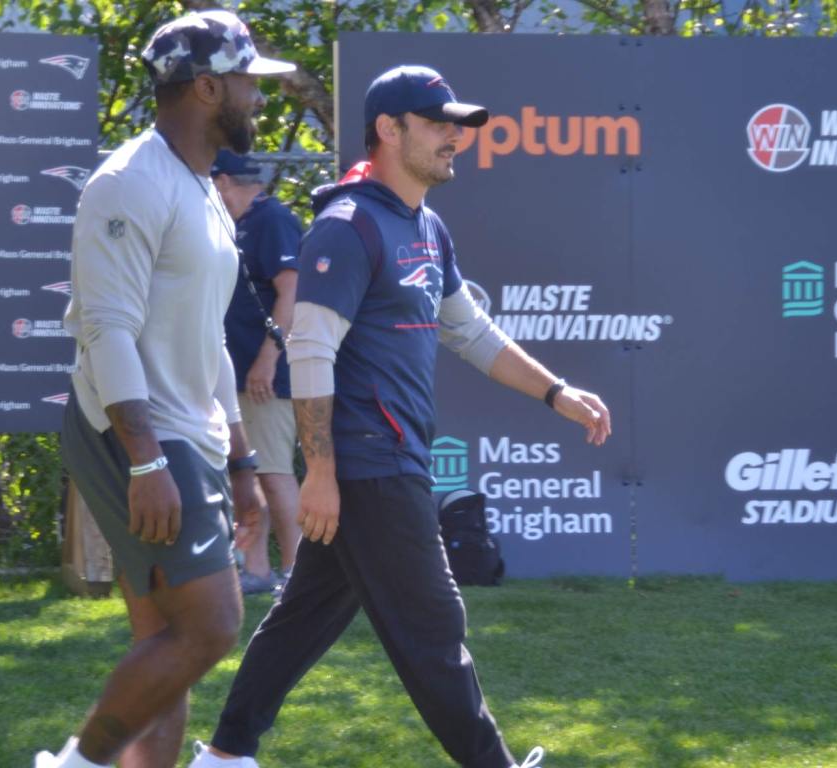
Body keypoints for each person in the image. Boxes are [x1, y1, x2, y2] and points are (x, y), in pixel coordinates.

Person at [189, 65, 611, 768]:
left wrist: (555, 391)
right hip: (367, 464)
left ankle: (226, 756)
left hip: (378, 462)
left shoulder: (424, 225)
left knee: (304, 619)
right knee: (432, 625)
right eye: (439, 122)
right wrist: (321, 470)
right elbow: (312, 348)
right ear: (389, 130)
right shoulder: (348, 226)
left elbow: (472, 333)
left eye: (459, 125)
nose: (456, 136)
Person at [36, 11, 294, 768]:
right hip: (136, 430)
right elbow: (107, 331)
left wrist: (241, 460)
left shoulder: (199, 188)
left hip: (187, 434)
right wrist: (146, 460)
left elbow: (207, 335)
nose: (258, 98)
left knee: (167, 639)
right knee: (211, 624)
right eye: (249, 82)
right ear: (209, 87)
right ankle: (75, 766)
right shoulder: (127, 183)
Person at [211, 151, 303, 595]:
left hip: (268, 374)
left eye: (211, 185)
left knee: (273, 470)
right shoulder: (231, 223)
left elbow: (292, 291)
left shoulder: (272, 219)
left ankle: (297, 574)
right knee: (245, 469)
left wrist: (269, 357)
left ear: (225, 180)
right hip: (236, 373)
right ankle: (258, 569)